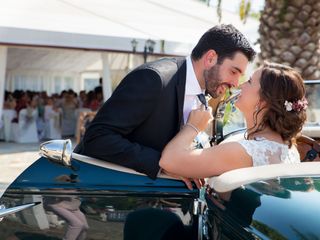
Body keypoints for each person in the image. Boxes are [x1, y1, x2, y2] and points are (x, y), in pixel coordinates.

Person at [74, 24, 256, 181]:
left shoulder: (204, 93)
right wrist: (164, 164)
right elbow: (97, 137)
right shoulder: (154, 79)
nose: (235, 83)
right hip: (100, 195)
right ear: (210, 58)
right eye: (234, 72)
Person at [160, 62, 308, 183]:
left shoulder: (243, 151)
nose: (240, 85)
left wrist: (193, 127)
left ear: (263, 101)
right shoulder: (289, 148)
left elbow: (168, 160)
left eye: (249, 82)